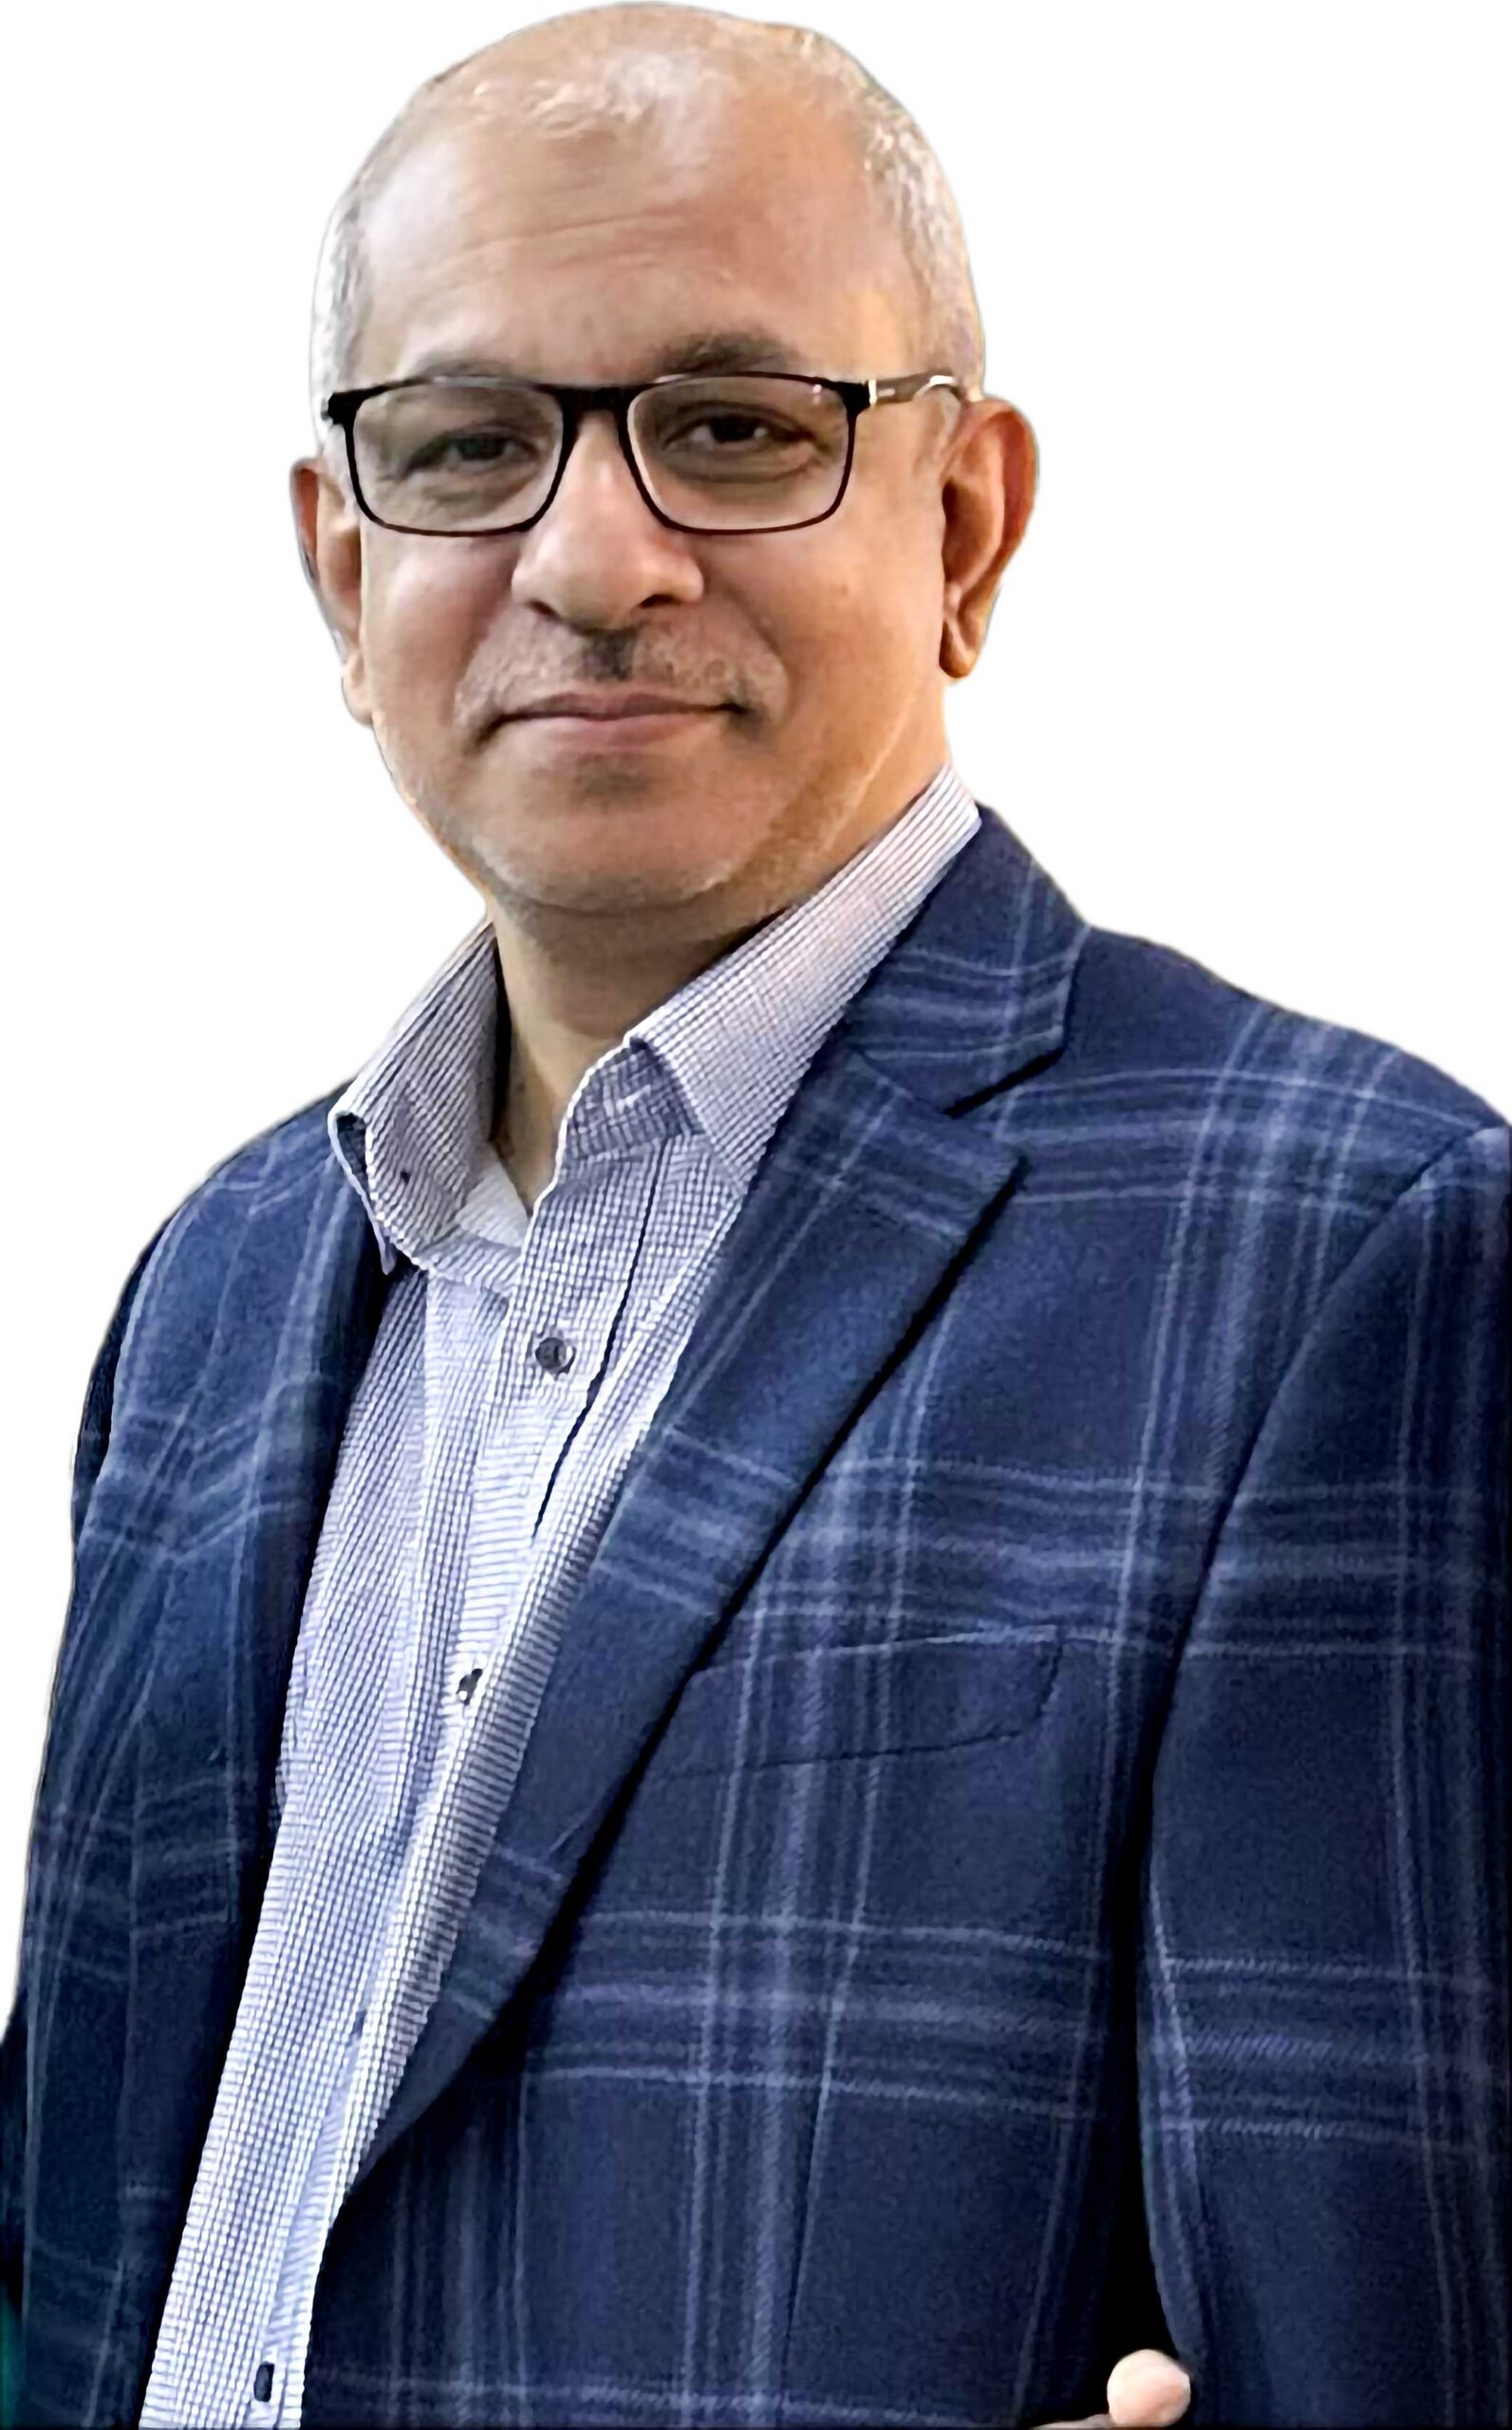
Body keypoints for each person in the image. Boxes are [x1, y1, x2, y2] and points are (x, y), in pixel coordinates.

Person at [1, 6, 1506, 2425]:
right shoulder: (207, 1294)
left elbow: (1388, 2340)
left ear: (965, 525)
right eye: (467, 444)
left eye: (731, 427)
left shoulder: (1345, 1252)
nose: (592, 560)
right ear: (339, 565)